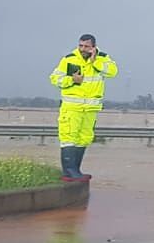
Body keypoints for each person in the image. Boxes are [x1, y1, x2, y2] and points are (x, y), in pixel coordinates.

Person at [49, 34, 118, 182]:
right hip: (72, 107)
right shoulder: (69, 59)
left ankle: (76, 170)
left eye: (86, 46)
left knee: (84, 139)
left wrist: (95, 63)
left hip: (90, 109)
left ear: (93, 47)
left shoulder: (103, 58)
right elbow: (55, 78)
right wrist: (71, 80)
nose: (82, 49)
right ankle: (69, 172)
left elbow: (113, 72)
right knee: (69, 138)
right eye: (80, 45)